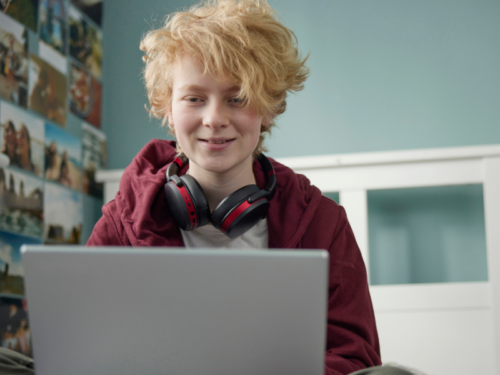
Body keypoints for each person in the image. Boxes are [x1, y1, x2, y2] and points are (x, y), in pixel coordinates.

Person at [87, 0, 381, 373]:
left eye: (237, 98)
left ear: (270, 106)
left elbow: (354, 360)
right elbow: (86, 349)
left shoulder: (324, 224)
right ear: (166, 107)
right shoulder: (121, 222)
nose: (214, 119)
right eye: (194, 98)